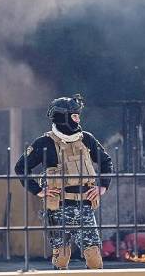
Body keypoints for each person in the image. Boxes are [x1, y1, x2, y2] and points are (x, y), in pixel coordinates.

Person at [15, 94, 113, 270]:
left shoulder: (86, 139)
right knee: (62, 258)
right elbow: (21, 167)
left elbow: (106, 161)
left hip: (84, 206)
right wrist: (38, 191)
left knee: (94, 259)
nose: (78, 119)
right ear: (63, 117)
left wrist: (103, 186)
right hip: (57, 207)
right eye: (74, 115)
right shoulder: (44, 143)